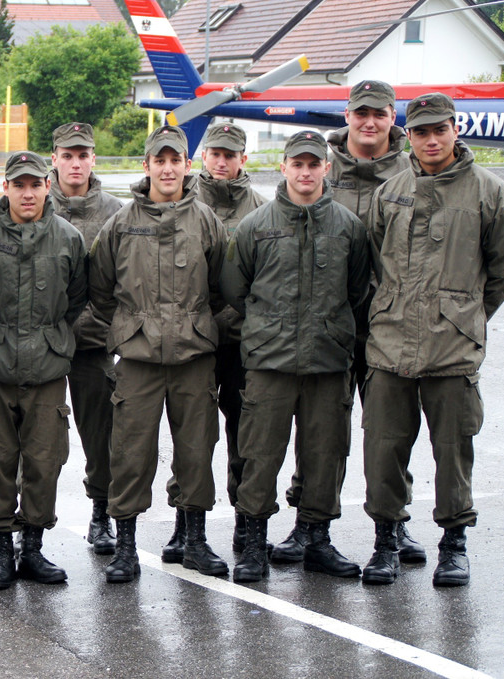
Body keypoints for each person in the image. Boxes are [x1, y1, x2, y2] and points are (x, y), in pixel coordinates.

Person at [360, 93, 504, 586]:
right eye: (421, 131)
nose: (431, 140)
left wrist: (466, 314)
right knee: (383, 448)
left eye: (439, 130)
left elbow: (502, 269)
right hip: (390, 342)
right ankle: (386, 541)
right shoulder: (391, 191)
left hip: (453, 348)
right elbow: (374, 260)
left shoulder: (491, 193)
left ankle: (454, 544)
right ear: (409, 135)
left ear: (454, 129)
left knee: (453, 450)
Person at [275, 80, 421, 565]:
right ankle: (309, 524)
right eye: (361, 113)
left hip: (391, 327)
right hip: (325, 325)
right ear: (348, 115)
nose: (370, 122)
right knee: (321, 432)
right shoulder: (320, 166)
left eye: (379, 113)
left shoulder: (412, 172)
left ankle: (393, 525)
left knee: (390, 434)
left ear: (393, 116)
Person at [221, 130, 370, 583]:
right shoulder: (255, 225)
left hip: (328, 360)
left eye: (313, 164)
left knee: (326, 453)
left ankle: (316, 539)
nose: (305, 172)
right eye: (297, 164)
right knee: (259, 455)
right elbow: (235, 287)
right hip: (270, 362)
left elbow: (357, 289)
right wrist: (270, 327)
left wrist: (329, 329)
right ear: (283, 167)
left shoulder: (348, 227)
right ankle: (253, 544)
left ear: (327, 168)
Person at [89, 125, 228, 583]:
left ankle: (194, 541)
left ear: (188, 166)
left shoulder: (206, 221)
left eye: (176, 160)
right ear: (146, 165)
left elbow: (223, 286)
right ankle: (125, 548)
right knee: (130, 453)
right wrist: (132, 325)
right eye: (159, 160)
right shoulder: (121, 223)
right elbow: (99, 288)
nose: (168, 169)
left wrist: (195, 324)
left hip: (194, 358)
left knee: (196, 451)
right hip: (139, 360)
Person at [0, 151, 88, 590]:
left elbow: (76, 298)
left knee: (44, 461)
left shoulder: (69, 238)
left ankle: (32, 548)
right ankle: (2, 551)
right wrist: (0, 334)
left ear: (48, 186)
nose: (28, 193)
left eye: (35, 184)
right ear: (6, 188)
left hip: (47, 367)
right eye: (19, 185)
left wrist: (45, 336)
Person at [163, 123, 267, 564]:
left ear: (244, 158)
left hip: (242, 341)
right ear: (203, 157)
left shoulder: (262, 209)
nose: (222, 162)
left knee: (246, 435)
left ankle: (246, 522)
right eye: (215, 154)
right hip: (196, 340)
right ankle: (184, 523)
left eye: (230, 155)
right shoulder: (182, 201)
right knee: (193, 437)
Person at [48, 122, 123, 555]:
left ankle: (102, 514)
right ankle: (29, 525)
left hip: (94, 345)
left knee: (101, 437)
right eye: (67, 155)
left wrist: (109, 326)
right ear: (54, 158)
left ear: (93, 159)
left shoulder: (115, 211)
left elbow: (124, 277)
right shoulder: (34, 201)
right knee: (37, 441)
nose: (75, 163)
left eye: (83, 155)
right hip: (44, 345)